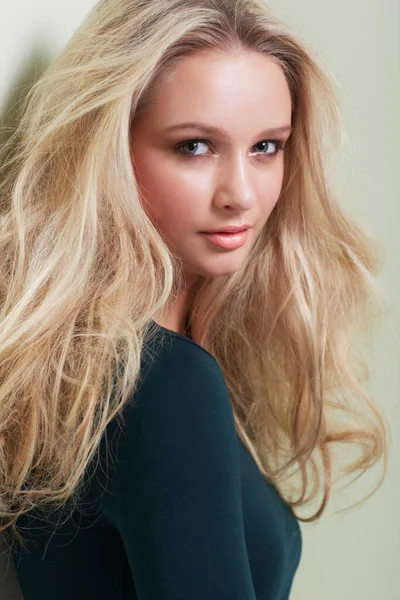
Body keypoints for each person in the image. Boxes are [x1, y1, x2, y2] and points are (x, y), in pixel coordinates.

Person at [0, 0, 389, 598]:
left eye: (267, 147)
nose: (241, 194)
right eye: (194, 147)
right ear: (110, 153)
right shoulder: (165, 379)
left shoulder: (93, 373)